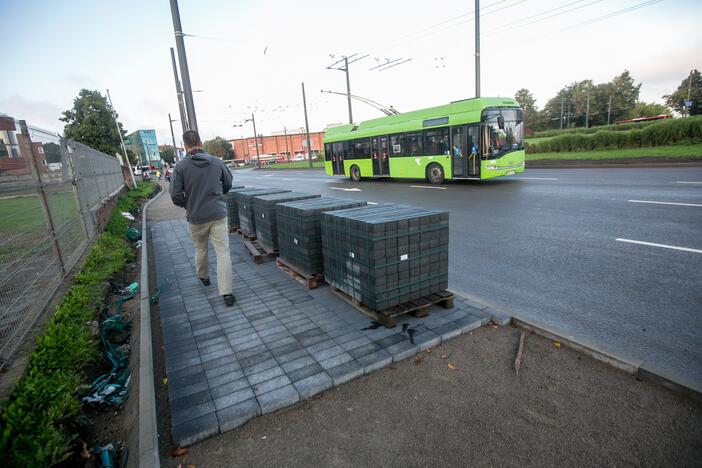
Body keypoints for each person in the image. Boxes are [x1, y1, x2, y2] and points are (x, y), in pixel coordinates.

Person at [170, 130, 236, 306]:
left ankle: (203, 276)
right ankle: (227, 293)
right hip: (218, 214)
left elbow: (175, 195)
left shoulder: (180, 167)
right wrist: (219, 195)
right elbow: (228, 182)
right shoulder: (216, 162)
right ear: (200, 142)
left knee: (201, 249)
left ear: (185, 146)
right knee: (223, 252)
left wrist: (188, 204)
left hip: (196, 216)